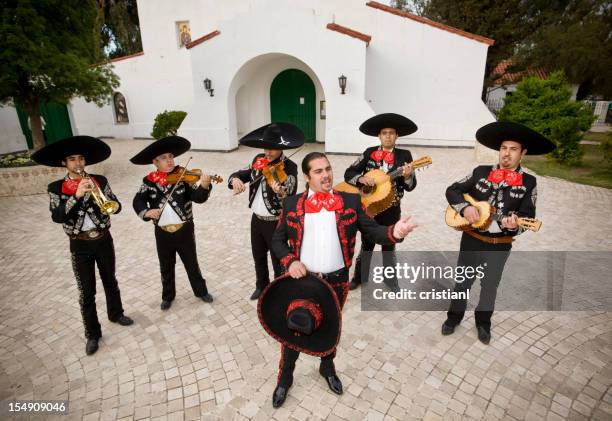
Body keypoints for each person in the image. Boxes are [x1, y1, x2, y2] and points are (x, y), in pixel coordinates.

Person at [269, 151, 417, 407]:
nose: (326, 175)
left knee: (331, 329)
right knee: (292, 329)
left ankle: (327, 369)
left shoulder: (350, 200)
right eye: (318, 171)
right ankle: (285, 378)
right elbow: (277, 241)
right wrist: (290, 261)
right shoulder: (292, 204)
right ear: (306, 176)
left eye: (327, 169)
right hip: (301, 280)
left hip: (336, 280)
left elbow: (374, 231)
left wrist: (395, 231)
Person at [441, 121, 555, 344]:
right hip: (472, 238)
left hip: (500, 243)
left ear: (523, 153)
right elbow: (452, 190)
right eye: (504, 148)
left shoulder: (529, 182)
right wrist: (465, 207)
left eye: (513, 149)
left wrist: (516, 226)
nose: (507, 154)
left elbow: (527, 216)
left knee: (490, 285)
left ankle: (483, 323)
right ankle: (453, 317)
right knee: (462, 281)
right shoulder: (481, 172)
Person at [32, 136, 134, 356]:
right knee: (86, 292)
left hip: (104, 239)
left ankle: (116, 314)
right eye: (72, 159)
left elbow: (116, 205)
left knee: (110, 280)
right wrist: (76, 195)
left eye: (80, 159)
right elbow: (57, 216)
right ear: (64, 163)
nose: (78, 163)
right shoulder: (56, 188)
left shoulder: (100, 180)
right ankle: (92, 334)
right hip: (80, 245)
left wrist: (112, 206)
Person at [131, 136, 214, 310]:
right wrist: (146, 212)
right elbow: (137, 200)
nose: (169, 160)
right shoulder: (149, 181)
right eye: (163, 158)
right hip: (162, 231)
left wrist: (204, 185)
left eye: (170, 156)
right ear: (155, 162)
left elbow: (198, 198)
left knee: (191, 262)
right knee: (166, 265)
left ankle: (201, 291)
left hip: (184, 229)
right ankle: (168, 296)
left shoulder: (183, 176)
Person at [344, 113, 419, 291]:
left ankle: (390, 280)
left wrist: (408, 176)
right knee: (367, 244)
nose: (387, 136)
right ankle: (359, 277)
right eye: (384, 133)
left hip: (392, 209)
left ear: (396, 136)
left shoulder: (404, 155)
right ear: (379, 136)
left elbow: (411, 186)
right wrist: (361, 179)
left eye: (391, 133)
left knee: (389, 245)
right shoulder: (369, 152)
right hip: (369, 207)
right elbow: (349, 173)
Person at [228, 123, 301, 300]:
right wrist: (235, 180)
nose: (268, 152)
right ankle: (261, 286)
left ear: (281, 147)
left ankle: (279, 289)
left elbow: (290, 194)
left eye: (273, 148)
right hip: (257, 220)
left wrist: (280, 191)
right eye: (266, 147)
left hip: (276, 221)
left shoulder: (289, 166)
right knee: (258, 256)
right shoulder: (258, 160)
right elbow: (239, 174)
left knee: (278, 260)